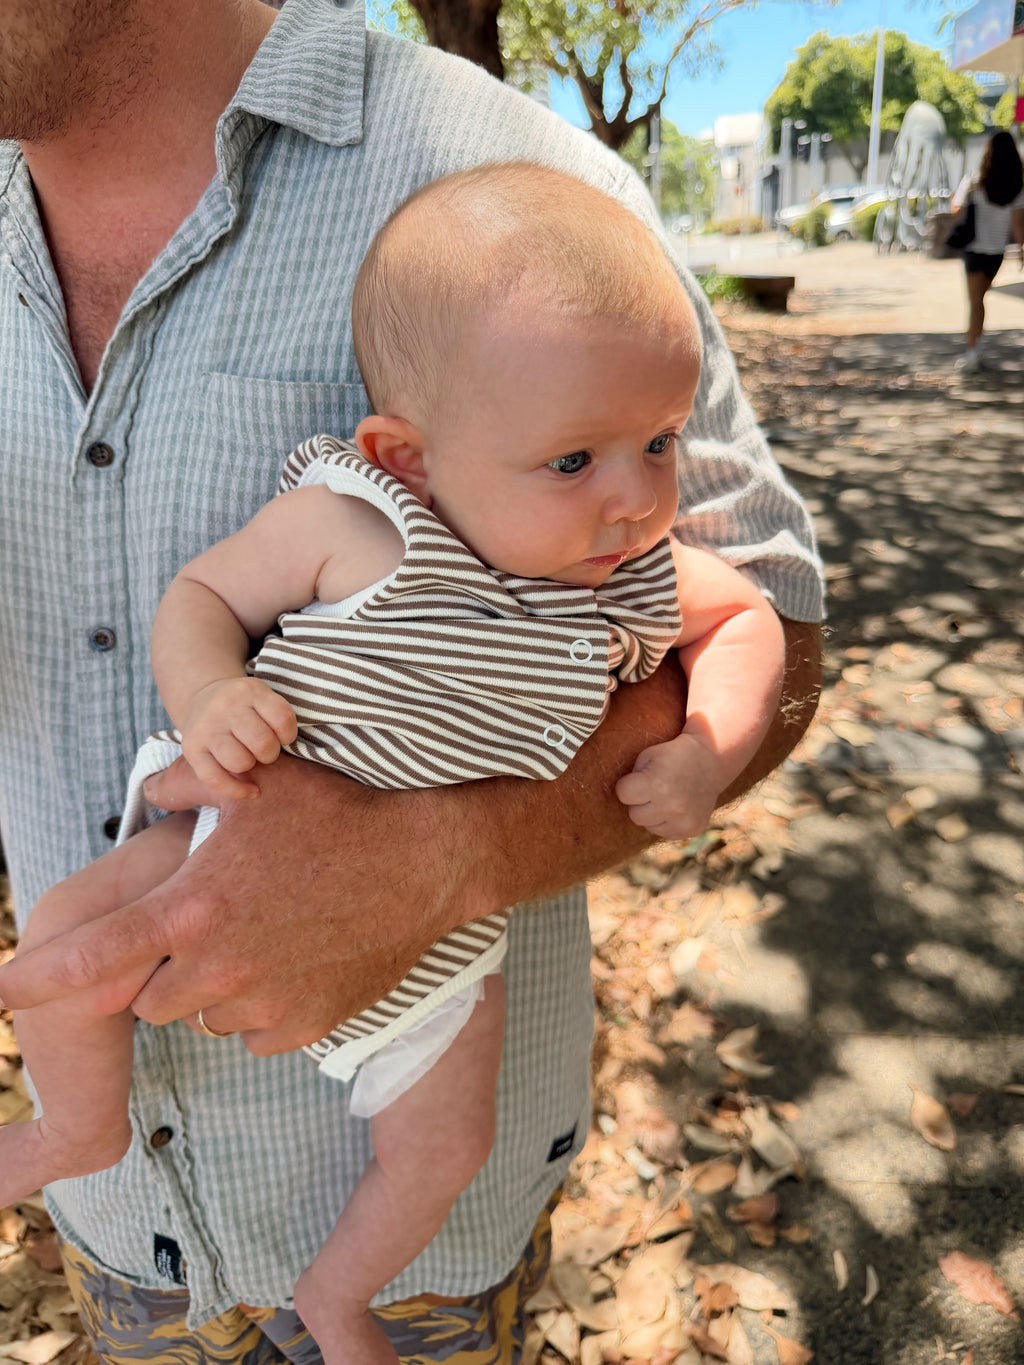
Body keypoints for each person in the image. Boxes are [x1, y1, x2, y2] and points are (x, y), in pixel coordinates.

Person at [0, 1, 824, 1359]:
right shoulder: (359, 520)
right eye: (575, 460)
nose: (634, 496)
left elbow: (766, 618)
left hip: (432, 1195)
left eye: (657, 447)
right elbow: (200, 607)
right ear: (403, 455)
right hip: (125, 1225)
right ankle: (72, 1126)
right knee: (69, 940)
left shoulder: (531, 195)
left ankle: (337, 1293)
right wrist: (211, 698)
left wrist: (493, 841)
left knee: (437, 1142)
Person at [950, 129, 1024, 373]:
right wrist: (1021, 251)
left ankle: (972, 353)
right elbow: (1018, 225)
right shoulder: (1017, 188)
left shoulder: (975, 182)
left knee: (975, 302)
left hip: (974, 250)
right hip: (996, 253)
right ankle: (974, 349)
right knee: (979, 300)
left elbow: (957, 211)